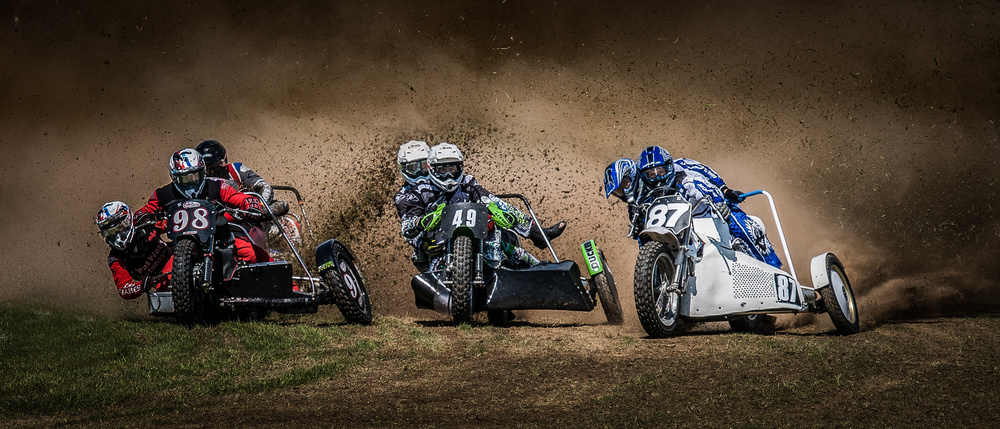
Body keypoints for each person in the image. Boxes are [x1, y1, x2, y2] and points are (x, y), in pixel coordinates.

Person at [397, 142, 566, 270]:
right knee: (422, 258)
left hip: (477, 239)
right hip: (438, 247)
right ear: (432, 169)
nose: (448, 175)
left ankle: (544, 265)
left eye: (452, 169)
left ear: (460, 168)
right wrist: (421, 229)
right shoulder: (417, 192)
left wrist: (498, 211)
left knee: (513, 251)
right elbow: (407, 226)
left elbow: (490, 199)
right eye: (442, 170)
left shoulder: (468, 183)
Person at [608, 146, 782, 268]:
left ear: (669, 167)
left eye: (661, 172)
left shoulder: (686, 176)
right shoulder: (642, 197)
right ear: (643, 176)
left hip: (708, 215)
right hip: (678, 230)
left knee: (736, 220)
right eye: (651, 175)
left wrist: (721, 197)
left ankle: (771, 266)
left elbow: (705, 182)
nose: (657, 178)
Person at [136, 148, 271, 264]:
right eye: (186, 179)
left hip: (217, 238)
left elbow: (240, 198)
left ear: (203, 172)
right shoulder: (163, 194)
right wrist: (144, 218)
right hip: (179, 246)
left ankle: (280, 278)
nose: (192, 182)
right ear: (175, 177)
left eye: (196, 176)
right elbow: (142, 212)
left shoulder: (216, 186)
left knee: (250, 254)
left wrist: (251, 205)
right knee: (162, 272)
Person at [96, 201, 173, 300]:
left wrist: (162, 216)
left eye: (118, 228)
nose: (116, 237)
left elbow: (172, 222)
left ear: (127, 221)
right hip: (163, 280)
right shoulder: (115, 258)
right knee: (163, 296)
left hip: (179, 255)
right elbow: (124, 288)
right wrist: (142, 285)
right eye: (110, 233)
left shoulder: (143, 221)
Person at [394, 140, 433, 269]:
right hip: (427, 240)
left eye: (423, 166)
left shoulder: (441, 181)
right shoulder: (402, 196)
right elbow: (407, 227)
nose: (419, 172)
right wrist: (422, 244)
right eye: (413, 168)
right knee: (420, 257)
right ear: (403, 169)